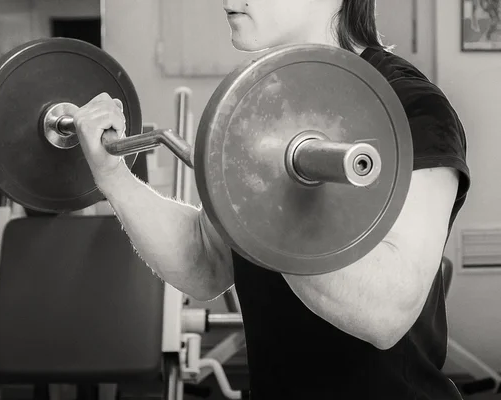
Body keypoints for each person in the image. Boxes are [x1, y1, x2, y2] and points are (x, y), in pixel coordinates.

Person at [73, 0, 471, 399]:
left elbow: (388, 313)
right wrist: (114, 177)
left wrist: (263, 196)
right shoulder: (257, 99)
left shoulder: (410, 106)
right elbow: (206, 261)